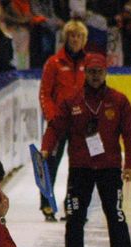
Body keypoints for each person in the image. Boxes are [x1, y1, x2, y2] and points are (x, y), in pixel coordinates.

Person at [41, 52, 131, 247]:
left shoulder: (119, 101)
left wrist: (130, 166)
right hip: (80, 170)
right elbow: (56, 126)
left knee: (116, 218)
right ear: (85, 72)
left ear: (106, 73)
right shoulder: (72, 101)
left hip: (109, 169)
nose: (95, 77)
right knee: (74, 219)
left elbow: (130, 135)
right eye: (91, 72)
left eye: (99, 72)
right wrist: (46, 148)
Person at [37, 18, 88, 222]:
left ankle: (71, 206)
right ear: (66, 38)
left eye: (79, 36)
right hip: (58, 122)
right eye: (72, 36)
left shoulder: (89, 63)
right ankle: (47, 205)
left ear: (84, 39)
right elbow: (45, 93)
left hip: (80, 123)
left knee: (79, 167)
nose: (75, 40)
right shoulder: (54, 63)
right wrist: (52, 116)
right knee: (50, 163)